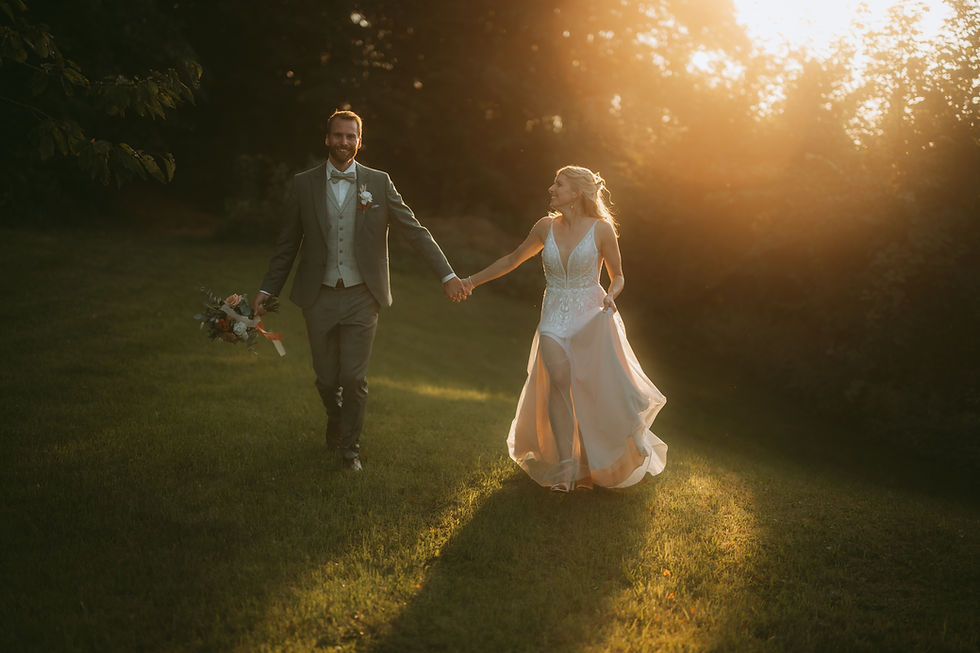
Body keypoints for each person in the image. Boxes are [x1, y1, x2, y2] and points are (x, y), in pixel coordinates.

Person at [253, 109, 468, 472]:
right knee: (326, 379)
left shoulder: (379, 183)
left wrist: (447, 275)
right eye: (337, 135)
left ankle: (350, 450)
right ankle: (335, 417)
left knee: (353, 378)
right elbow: (287, 244)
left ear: (359, 140)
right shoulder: (303, 184)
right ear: (327, 139)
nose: (344, 142)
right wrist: (266, 289)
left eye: (351, 136)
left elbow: (415, 231)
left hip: (362, 296)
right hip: (317, 294)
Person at [461, 166, 667, 491]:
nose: (551, 189)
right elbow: (512, 259)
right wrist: (470, 281)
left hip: (591, 316)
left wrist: (612, 296)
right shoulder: (545, 227)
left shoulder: (601, 229)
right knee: (558, 380)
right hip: (554, 315)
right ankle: (566, 464)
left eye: (559, 184)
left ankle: (589, 461)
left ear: (577, 192)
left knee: (587, 389)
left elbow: (619, 275)